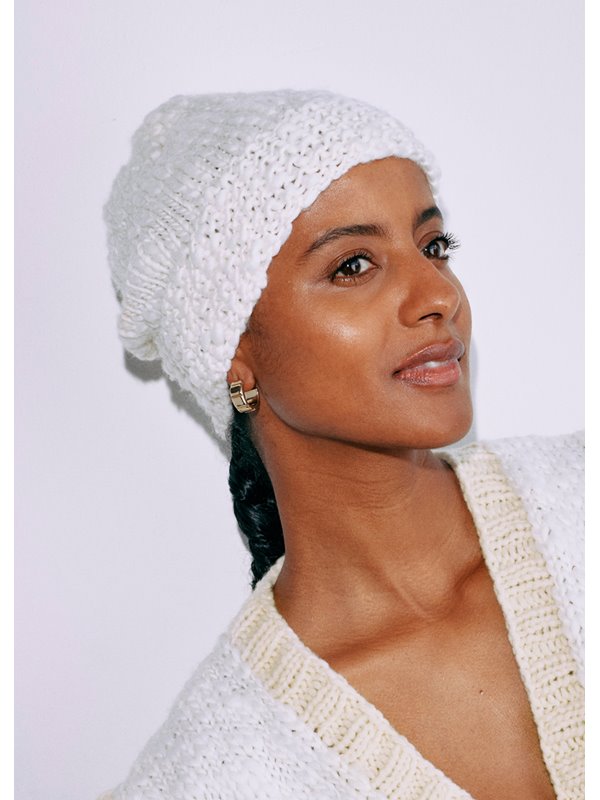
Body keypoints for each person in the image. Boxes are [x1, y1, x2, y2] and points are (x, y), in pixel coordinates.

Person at [102, 90, 583, 800]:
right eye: (353, 265)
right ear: (235, 357)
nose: (438, 295)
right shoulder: (219, 773)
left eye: (433, 247)